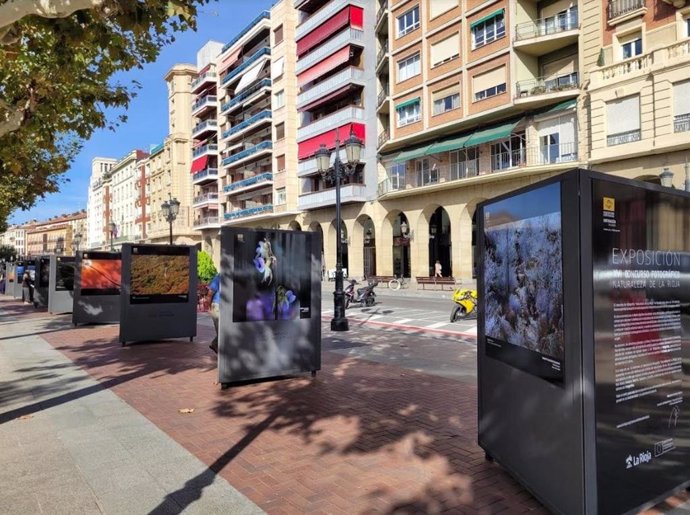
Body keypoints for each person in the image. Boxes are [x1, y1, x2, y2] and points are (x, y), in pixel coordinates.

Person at [207, 273, 221, 353]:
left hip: (225, 307)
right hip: (217, 306)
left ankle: (214, 344)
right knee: (221, 331)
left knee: (223, 330)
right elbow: (210, 293)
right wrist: (209, 307)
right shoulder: (219, 276)